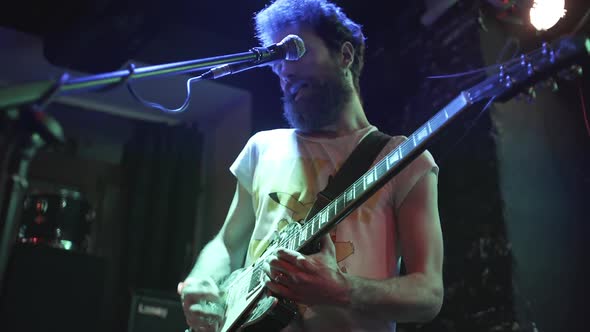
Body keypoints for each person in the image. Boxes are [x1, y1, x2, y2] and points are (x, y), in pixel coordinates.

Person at [178, 0, 444, 331]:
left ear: (344, 56)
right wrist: (202, 278)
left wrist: (342, 290)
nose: (283, 69)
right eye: (276, 58)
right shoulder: (262, 147)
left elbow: (429, 294)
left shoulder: (404, 159)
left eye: (294, 50)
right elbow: (226, 244)